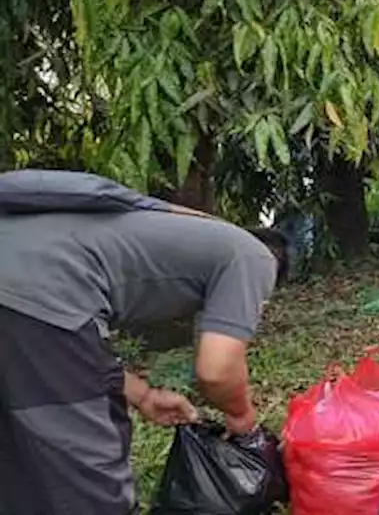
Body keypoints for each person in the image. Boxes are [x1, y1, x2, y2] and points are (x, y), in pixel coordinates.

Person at [0, 169, 289, 515]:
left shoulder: (161, 228)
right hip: (41, 290)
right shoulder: (254, 257)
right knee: (89, 473)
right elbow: (216, 370)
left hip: (31, 288)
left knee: (16, 456)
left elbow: (81, 356)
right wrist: (243, 420)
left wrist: (144, 396)